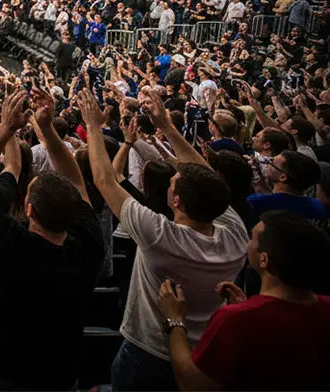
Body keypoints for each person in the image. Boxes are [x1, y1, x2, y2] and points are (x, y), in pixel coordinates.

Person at [77, 88, 248, 392]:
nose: (172, 177)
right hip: (204, 351)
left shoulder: (158, 234)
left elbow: (104, 179)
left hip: (149, 353)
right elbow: (208, 179)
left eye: (174, 181)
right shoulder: (235, 233)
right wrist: (167, 127)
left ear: (178, 201)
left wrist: (93, 125)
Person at [0, 89, 105, 390]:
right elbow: (77, 180)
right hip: (59, 377)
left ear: (28, 210)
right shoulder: (89, 244)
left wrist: (6, 127)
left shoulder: (7, 242)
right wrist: (48, 131)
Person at [158, 210, 330, 391]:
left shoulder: (236, 320)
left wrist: (175, 320)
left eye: (252, 239)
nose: (248, 243)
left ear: (264, 259)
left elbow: (194, 384)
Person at [248, 149, 327, 221]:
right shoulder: (317, 206)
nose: (267, 164)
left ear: (283, 177)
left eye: (271, 162)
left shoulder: (255, 202)